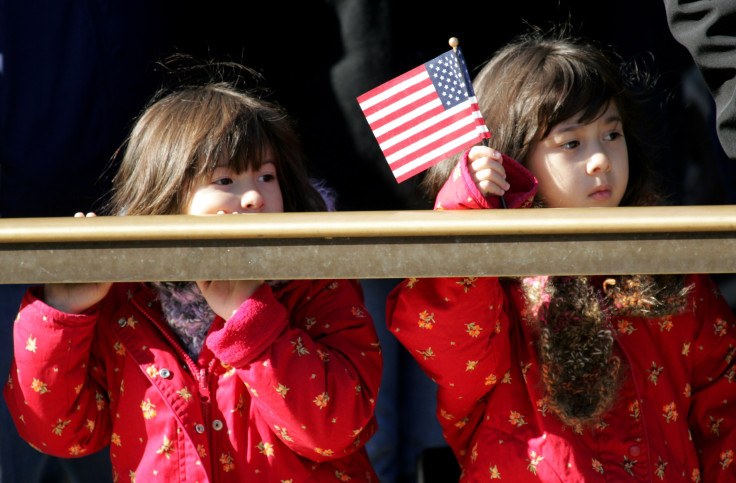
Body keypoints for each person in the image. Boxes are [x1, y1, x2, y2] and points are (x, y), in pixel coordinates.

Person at [3, 58, 383, 482]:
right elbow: (60, 434)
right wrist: (64, 313)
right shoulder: (123, 296)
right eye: (226, 181)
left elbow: (336, 430)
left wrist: (251, 320)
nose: (254, 196)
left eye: (266, 176)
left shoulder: (316, 282)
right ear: (164, 191)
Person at [386, 28, 736, 482]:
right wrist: (465, 218)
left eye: (612, 133)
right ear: (511, 159)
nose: (600, 159)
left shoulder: (668, 264)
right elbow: (450, 344)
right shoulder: (494, 285)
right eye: (572, 143)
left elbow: (723, 397)